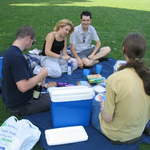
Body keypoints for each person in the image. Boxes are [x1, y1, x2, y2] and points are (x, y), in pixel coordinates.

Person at [94, 33, 150, 143]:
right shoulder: (147, 76)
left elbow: (108, 118)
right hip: (137, 131)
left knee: (95, 104)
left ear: (124, 49)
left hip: (115, 134)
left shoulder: (115, 78)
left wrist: (102, 107)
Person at [2, 26, 50, 116]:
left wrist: (37, 78)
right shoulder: (16, 57)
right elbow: (23, 87)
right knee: (55, 100)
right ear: (28, 39)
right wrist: (41, 75)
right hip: (20, 105)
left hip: (14, 98)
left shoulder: (10, 52)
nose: (32, 45)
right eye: (33, 42)